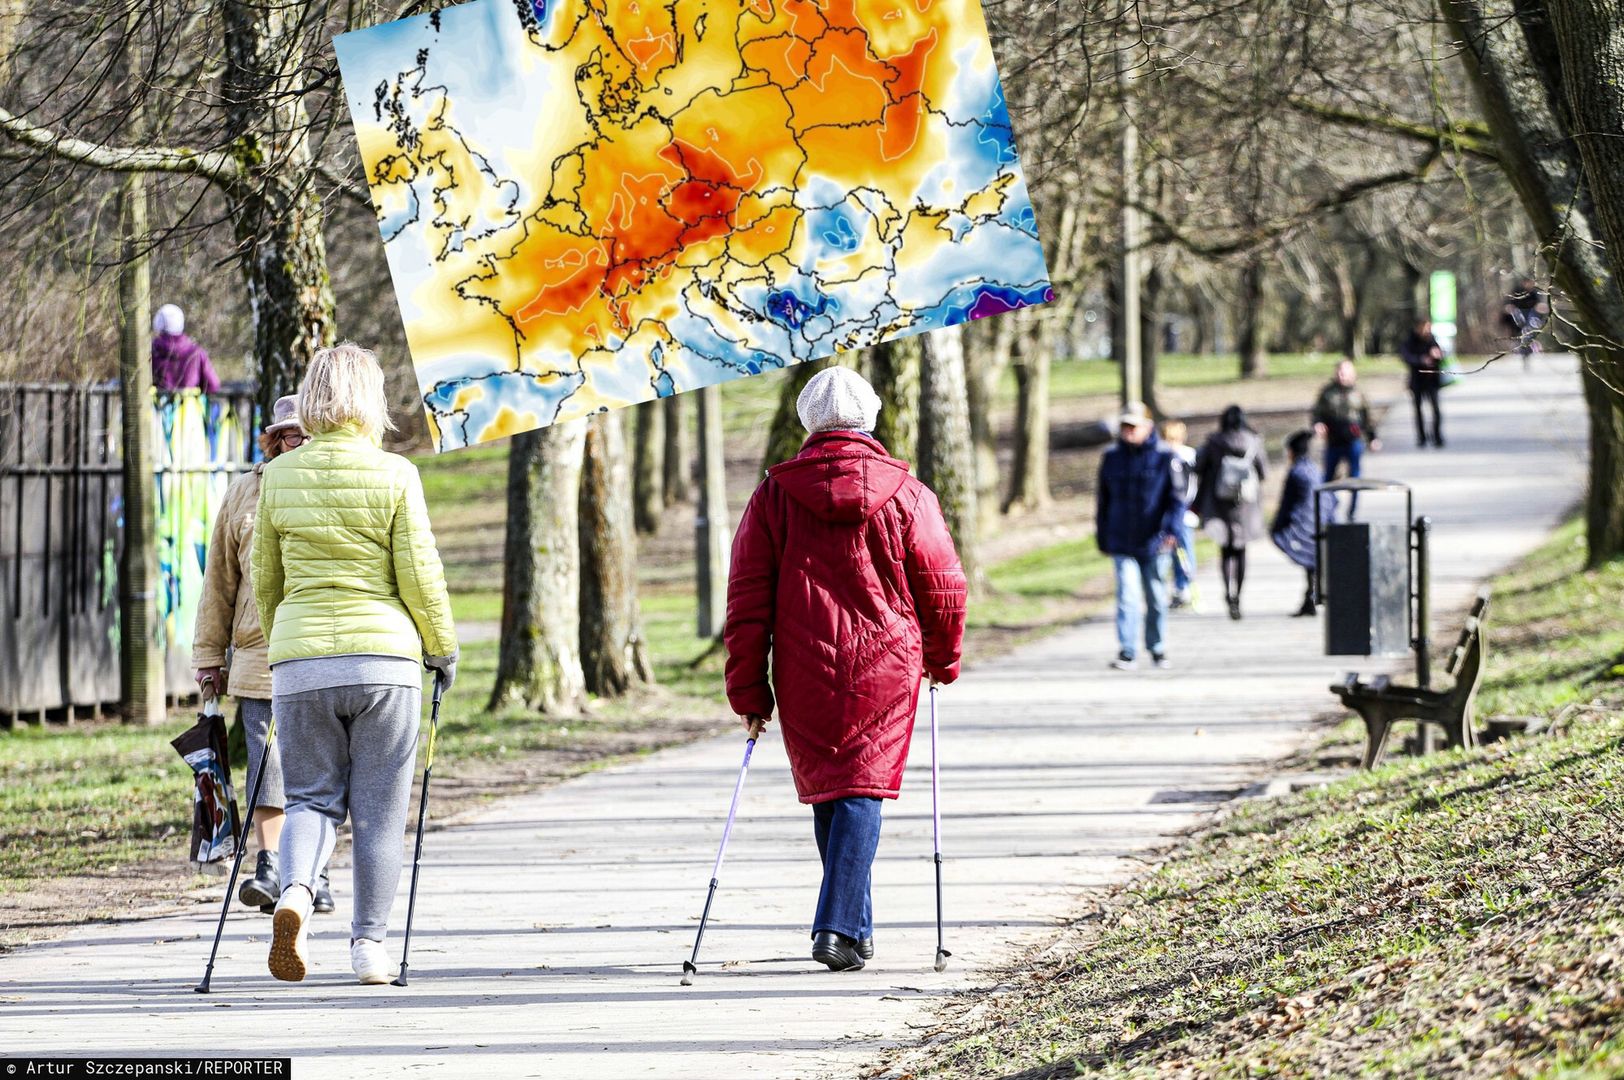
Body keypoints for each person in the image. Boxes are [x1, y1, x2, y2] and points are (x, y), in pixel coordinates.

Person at [724, 366, 967, 973]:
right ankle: (837, 927)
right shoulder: (909, 493)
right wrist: (943, 657)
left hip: (803, 661)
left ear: (809, 421)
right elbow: (943, 586)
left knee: (834, 792)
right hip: (887, 660)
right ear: (870, 418)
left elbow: (747, 595)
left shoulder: (774, 495)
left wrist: (749, 687)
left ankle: (853, 929)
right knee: (857, 787)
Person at [252, 342, 458, 986]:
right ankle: (370, 947)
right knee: (378, 811)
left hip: (301, 663)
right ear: (371, 401)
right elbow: (420, 575)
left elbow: (266, 579)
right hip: (385, 662)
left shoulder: (279, 476)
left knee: (310, 798)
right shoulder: (396, 475)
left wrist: (285, 637)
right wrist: (441, 647)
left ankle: (295, 895)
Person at [192, 395, 333, 916]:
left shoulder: (330, 486)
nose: (302, 443)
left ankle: (314, 869)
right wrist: (209, 656)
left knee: (318, 762)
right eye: (293, 435)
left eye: (310, 433)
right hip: (259, 655)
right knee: (267, 761)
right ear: (274, 439)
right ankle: (269, 863)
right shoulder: (243, 493)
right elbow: (218, 585)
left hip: (320, 650)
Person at [1096, 402, 1182, 670]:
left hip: (1155, 542)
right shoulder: (1111, 458)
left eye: (1133, 426)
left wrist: (1172, 530)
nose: (1128, 431)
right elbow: (1103, 500)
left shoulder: (1165, 457)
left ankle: (1157, 648)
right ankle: (1127, 651)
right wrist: (1102, 535)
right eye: (1124, 426)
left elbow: (1177, 500)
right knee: (1127, 597)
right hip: (1122, 540)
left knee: (1156, 598)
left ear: (1148, 427)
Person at [1192, 405, 1266, 621]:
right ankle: (1238, 596)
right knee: (1241, 551)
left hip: (1219, 503)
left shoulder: (1214, 442)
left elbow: (1198, 467)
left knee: (1226, 550)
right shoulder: (1253, 441)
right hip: (1246, 504)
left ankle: (1228, 593)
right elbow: (1264, 471)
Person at [1311, 359, 1379, 518]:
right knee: (1328, 478)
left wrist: (1373, 438)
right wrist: (1318, 424)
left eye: (1345, 372)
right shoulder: (1327, 393)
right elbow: (1317, 413)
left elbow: (1368, 418)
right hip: (1334, 442)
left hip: (1353, 441)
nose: (1341, 375)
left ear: (1352, 374)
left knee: (1354, 477)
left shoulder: (1359, 393)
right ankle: (1328, 509)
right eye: (1339, 372)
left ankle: (1352, 512)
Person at [1271, 429, 1325, 617]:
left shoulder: (1296, 472)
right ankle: (1310, 597)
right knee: (1313, 561)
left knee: (1310, 560)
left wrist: (1278, 526)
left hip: (1304, 523)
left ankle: (1310, 597)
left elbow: (1287, 502)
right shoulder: (1313, 469)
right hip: (1319, 520)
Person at [1161, 419, 1199, 610]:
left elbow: (1189, 487)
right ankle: (1176, 588)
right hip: (1167, 514)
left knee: (1183, 551)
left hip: (1183, 513)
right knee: (1171, 553)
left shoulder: (1186, 457)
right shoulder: (1165, 456)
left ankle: (1185, 586)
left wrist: (1185, 507)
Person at [151, 304, 222, 393]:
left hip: (157, 406)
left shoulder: (151, 351)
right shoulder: (196, 352)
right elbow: (213, 385)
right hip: (189, 406)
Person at [1399, 319, 1445, 448]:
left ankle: (1437, 436)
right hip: (1417, 381)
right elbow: (1406, 356)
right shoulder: (1409, 341)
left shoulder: (1431, 339)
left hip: (1432, 381)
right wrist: (1421, 360)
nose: (1427, 331)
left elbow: (1441, 355)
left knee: (1436, 410)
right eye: (1425, 328)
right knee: (1418, 410)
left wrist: (1438, 355)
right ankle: (1421, 437)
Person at [1502, 277, 1547, 369]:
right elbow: (1508, 304)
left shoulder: (1534, 293)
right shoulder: (1517, 292)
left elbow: (1539, 304)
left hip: (1531, 318)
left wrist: (1541, 308)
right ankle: (1521, 350)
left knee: (1530, 333)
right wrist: (1510, 309)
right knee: (1520, 334)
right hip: (1518, 318)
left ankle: (1528, 351)